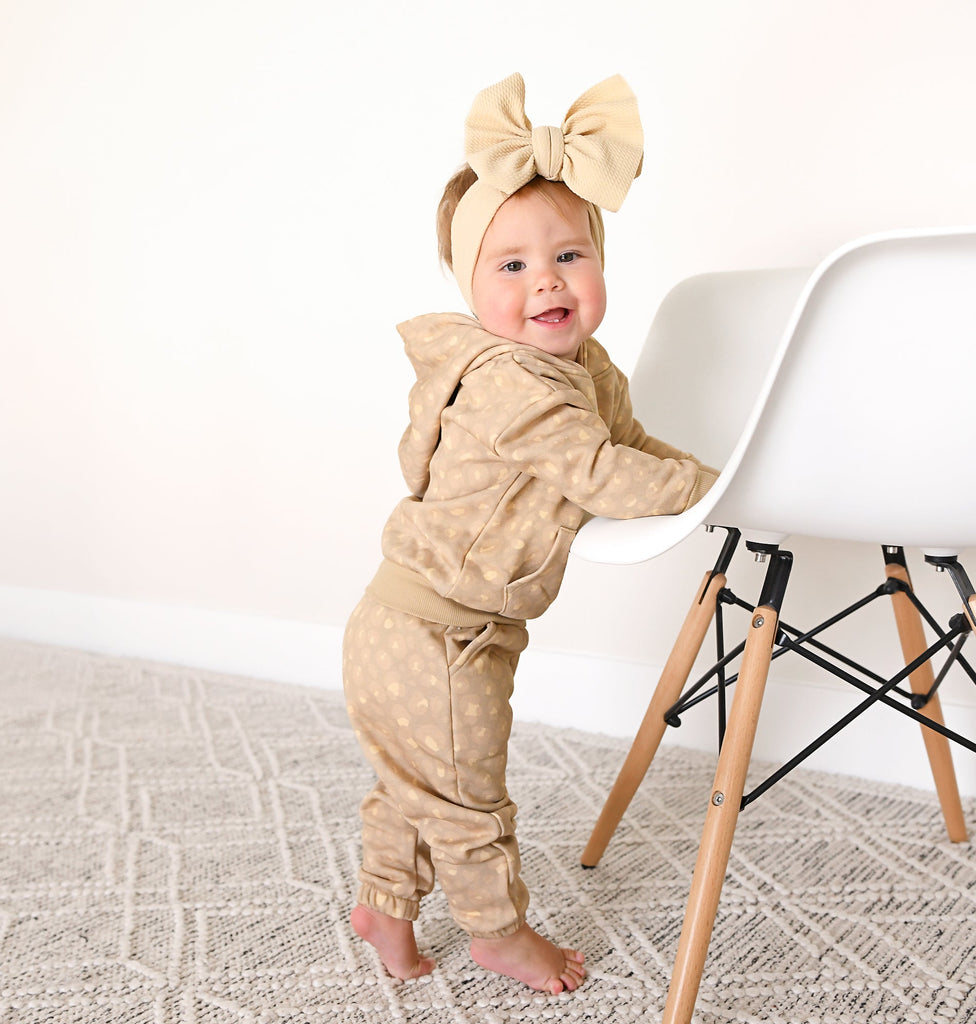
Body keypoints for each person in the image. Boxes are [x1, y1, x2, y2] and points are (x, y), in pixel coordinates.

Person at [343, 72, 718, 996]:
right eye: (510, 266)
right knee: (468, 799)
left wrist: (708, 473)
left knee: (418, 786)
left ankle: (384, 906)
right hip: (434, 635)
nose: (546, 279)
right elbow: (602, 474)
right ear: (470, 288)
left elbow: (629, 443)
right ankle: (500, 934)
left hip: (439, 625)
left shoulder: (586, 366)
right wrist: (721, 491)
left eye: (569, 255)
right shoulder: (512, 383)